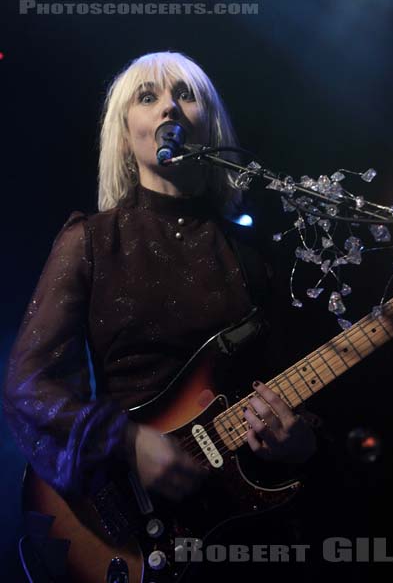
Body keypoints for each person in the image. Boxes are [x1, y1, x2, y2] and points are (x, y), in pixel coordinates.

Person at [3, 51, 317, 574]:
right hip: (122, 520)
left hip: (235, 529)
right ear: (127, 136)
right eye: (148, 98)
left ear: (208, 124)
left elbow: (283, 385)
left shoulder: (253, 256)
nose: (169, 106)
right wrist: (126, 442)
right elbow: (27, 386)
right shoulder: (92, 241)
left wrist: (298, 440)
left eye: (185, 95)